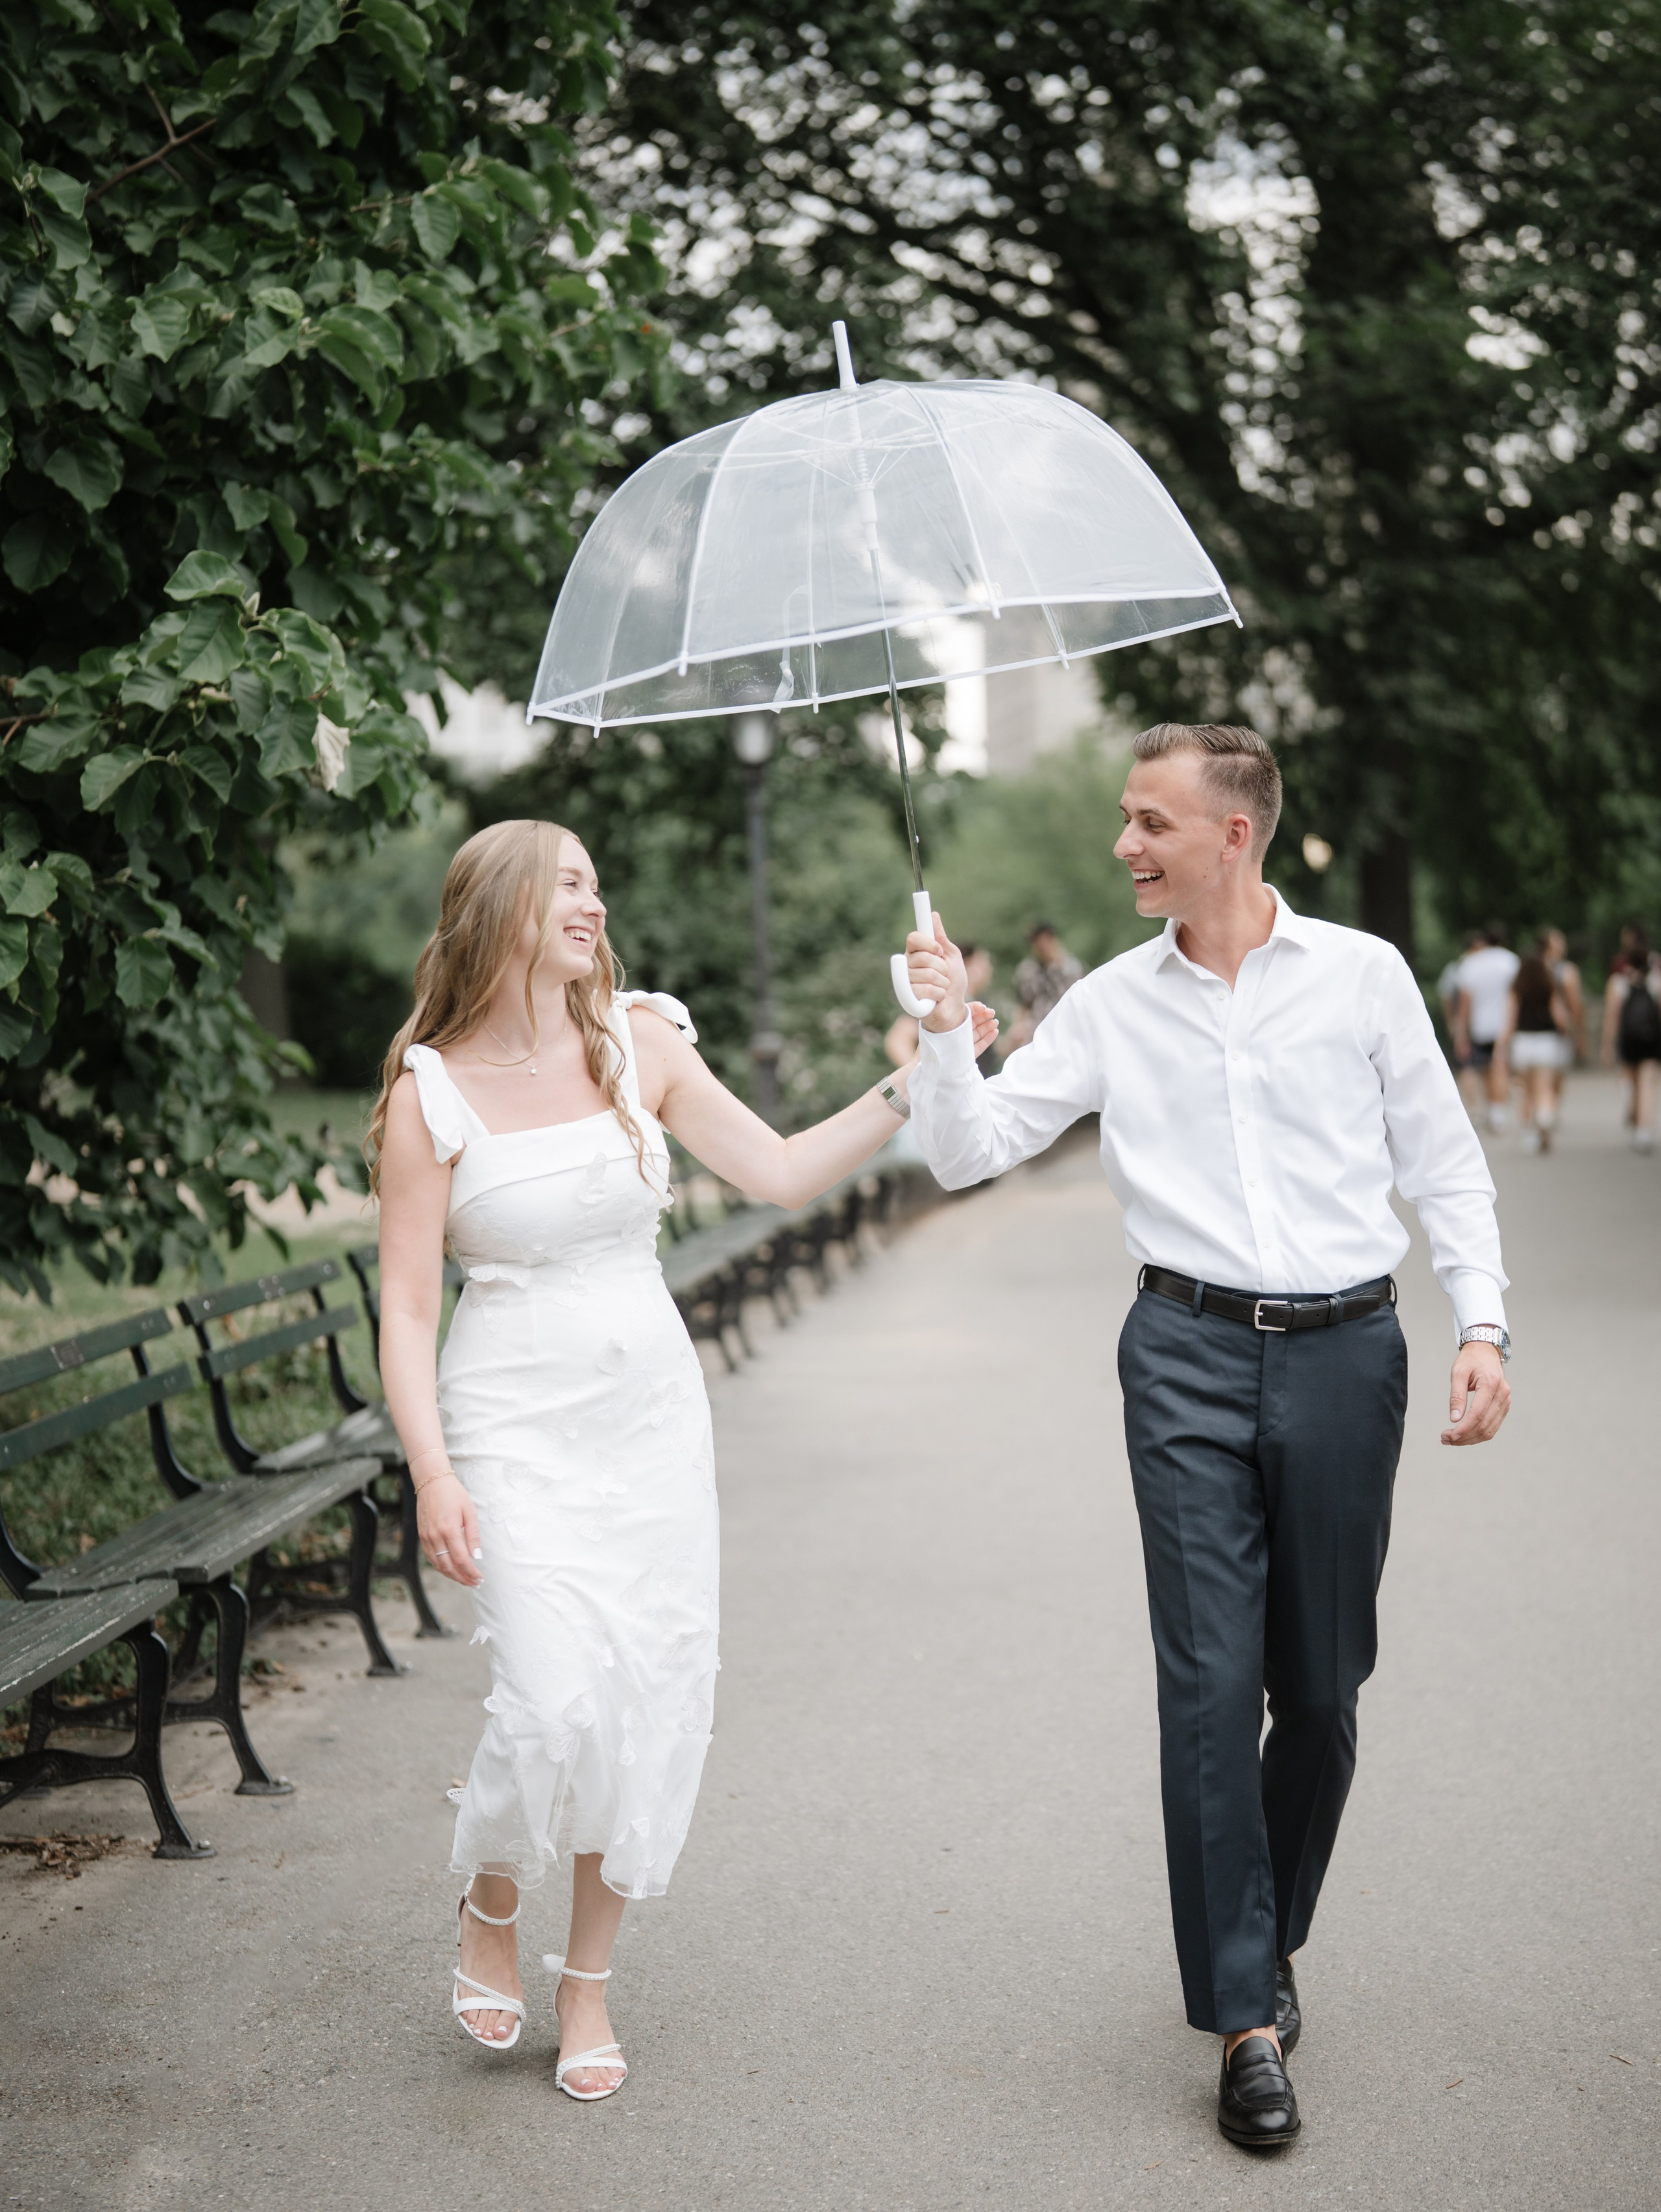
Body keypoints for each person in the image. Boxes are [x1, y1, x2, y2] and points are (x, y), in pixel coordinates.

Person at [904, 723, 1510, 2151]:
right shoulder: (1112, 1003)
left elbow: (1441, 1164)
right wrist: (943, 1032)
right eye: (1125, 817)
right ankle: (1240, 2013)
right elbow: (966, 1149)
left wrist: (1479, 1325)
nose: (1123, 843)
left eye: (1147, 820)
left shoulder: (1361, 977)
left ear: (1230, 833)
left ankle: (1265, 1928)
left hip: (1345, 1351)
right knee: (1203, 1688)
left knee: (1320, 1690)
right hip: (1177, 1352)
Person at [371, 819, 990, 2099]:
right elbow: (408, 1309)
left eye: (599, 882)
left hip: (647, 1416)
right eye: (569, 887)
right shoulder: (423, 1093)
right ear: (497, 911)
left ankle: (586, 1985)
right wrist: (431, 1471)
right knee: (549, 1697)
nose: (594, 906)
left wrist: (922, 1070)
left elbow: (773, 1172)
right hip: (508, 1414)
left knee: (641, 1698)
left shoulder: (636, 1044)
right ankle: (492, 1897)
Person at [1499, 941, 1573, 1154]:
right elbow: (1560, 1018)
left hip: (1523, 1042)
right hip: (1547, 1042)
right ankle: (1545, 1116)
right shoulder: (1549, 985)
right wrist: (1568, 1032)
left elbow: (1509, 1021)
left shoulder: (1517, 987)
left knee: (1527, 1091)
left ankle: (1531, 1132)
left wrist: (1502, 1046)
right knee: (1545, 1087)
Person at [1453, 923, 1520, 1133]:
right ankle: (1497, 1112)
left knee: (1485, 1070)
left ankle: (1492, 1109)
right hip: (1505, 1024)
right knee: (1501, 1067)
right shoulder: (1511, 962)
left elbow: (1465, 1003)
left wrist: (1461, 1032)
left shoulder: (1472, 964)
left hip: (1480, 1026)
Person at [1599, 923, 1661, 1153]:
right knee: (1647, 1082)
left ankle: (1635, 1119)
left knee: (1632, 1083)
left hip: (1628, 1038)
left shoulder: (1619, 979)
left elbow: (1611, 1016)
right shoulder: (1655, 975)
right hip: (1651, 1038)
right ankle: (1644, 1130)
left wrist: (1606, 1047)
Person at [1003, 922, 1084, 1055]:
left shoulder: (1071, 968)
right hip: (1036, 1030)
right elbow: (1023, 1003)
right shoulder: (1028, 970)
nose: (1043, 946)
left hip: (1067, 1027)